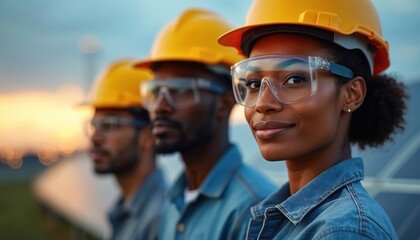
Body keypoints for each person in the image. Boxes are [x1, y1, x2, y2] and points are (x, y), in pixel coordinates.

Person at [219, 0, 407, 239]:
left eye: (295, 79)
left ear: (351, 94)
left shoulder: (343, 231)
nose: (264, 103)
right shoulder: (287, 217)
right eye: (254, 84)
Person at [135, 8, 276, 240]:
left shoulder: (254, 210)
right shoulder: (172, 201)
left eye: (179, 90)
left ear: (223, 102)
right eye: (154, 91)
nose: (160, 106)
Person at [85, 59, 166, 240]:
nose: (95, 137)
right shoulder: (124, 210)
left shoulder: (159, 220)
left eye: (109, 125)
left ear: (147, 136)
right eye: (93, 125)